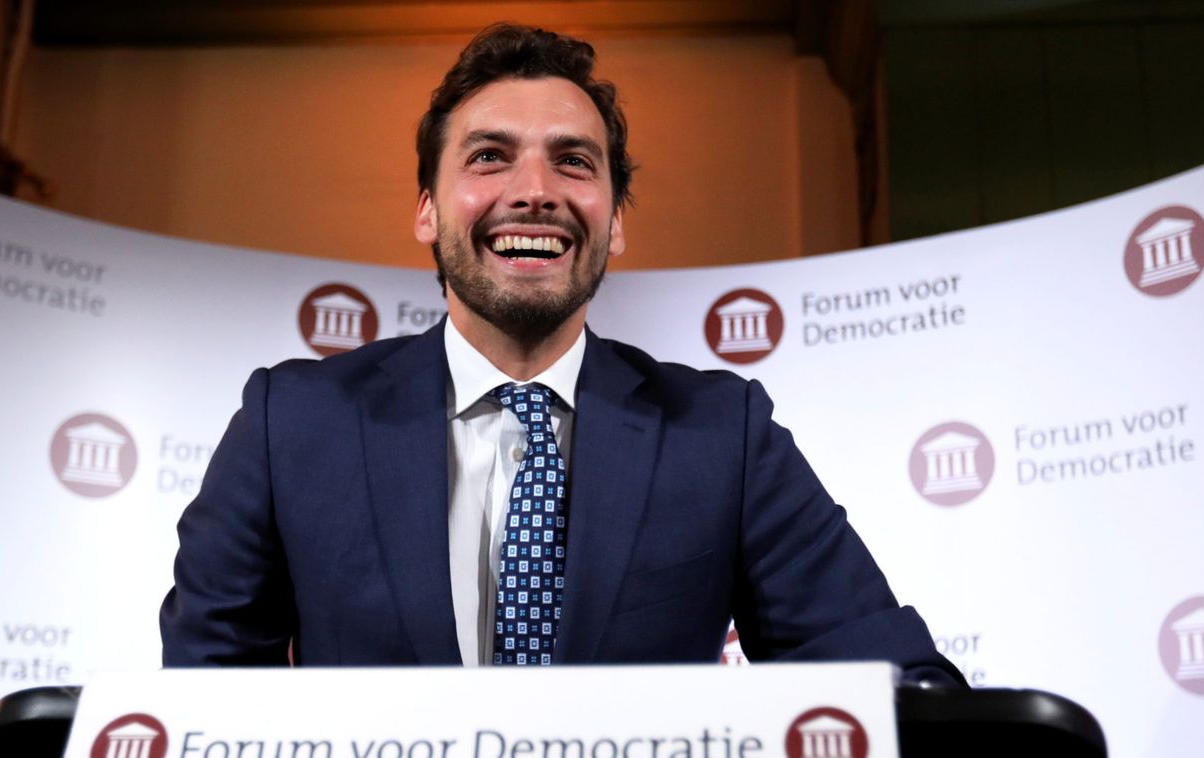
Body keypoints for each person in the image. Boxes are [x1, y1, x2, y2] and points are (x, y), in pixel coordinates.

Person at [160, 23, 962, 684]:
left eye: (573, 160)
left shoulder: (725, 433)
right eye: (488, 156)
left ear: (613, 220)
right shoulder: (289, 421)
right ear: (426, 211)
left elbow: (879, 675)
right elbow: (208, 695)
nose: (534, 188)